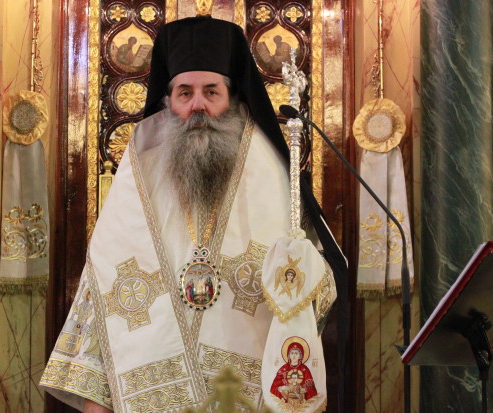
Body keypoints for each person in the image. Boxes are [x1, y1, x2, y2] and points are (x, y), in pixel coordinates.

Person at [40, 16, 346, 413]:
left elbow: (316, 285)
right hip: (153, 388)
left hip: (245, 384)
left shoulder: (272, 168)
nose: (198, 105)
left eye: (211, 92)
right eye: (185, 93)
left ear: (232, 96)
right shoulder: (143, 164)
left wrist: (301, 273)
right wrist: (97, 397)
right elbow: (106, 282)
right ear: (168, 99)